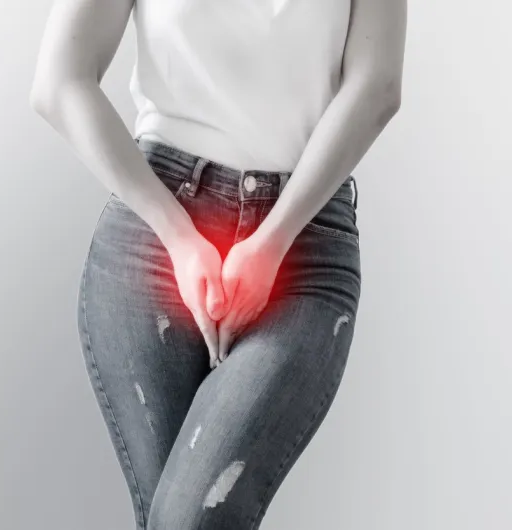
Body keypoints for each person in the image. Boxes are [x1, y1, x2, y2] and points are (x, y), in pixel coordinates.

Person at [29, 0, 406, 528]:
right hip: (154, 240)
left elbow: (377, 87)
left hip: (304, 248)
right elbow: (59, 83)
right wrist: (181, 237)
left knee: (189, 520)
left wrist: (272, 240)